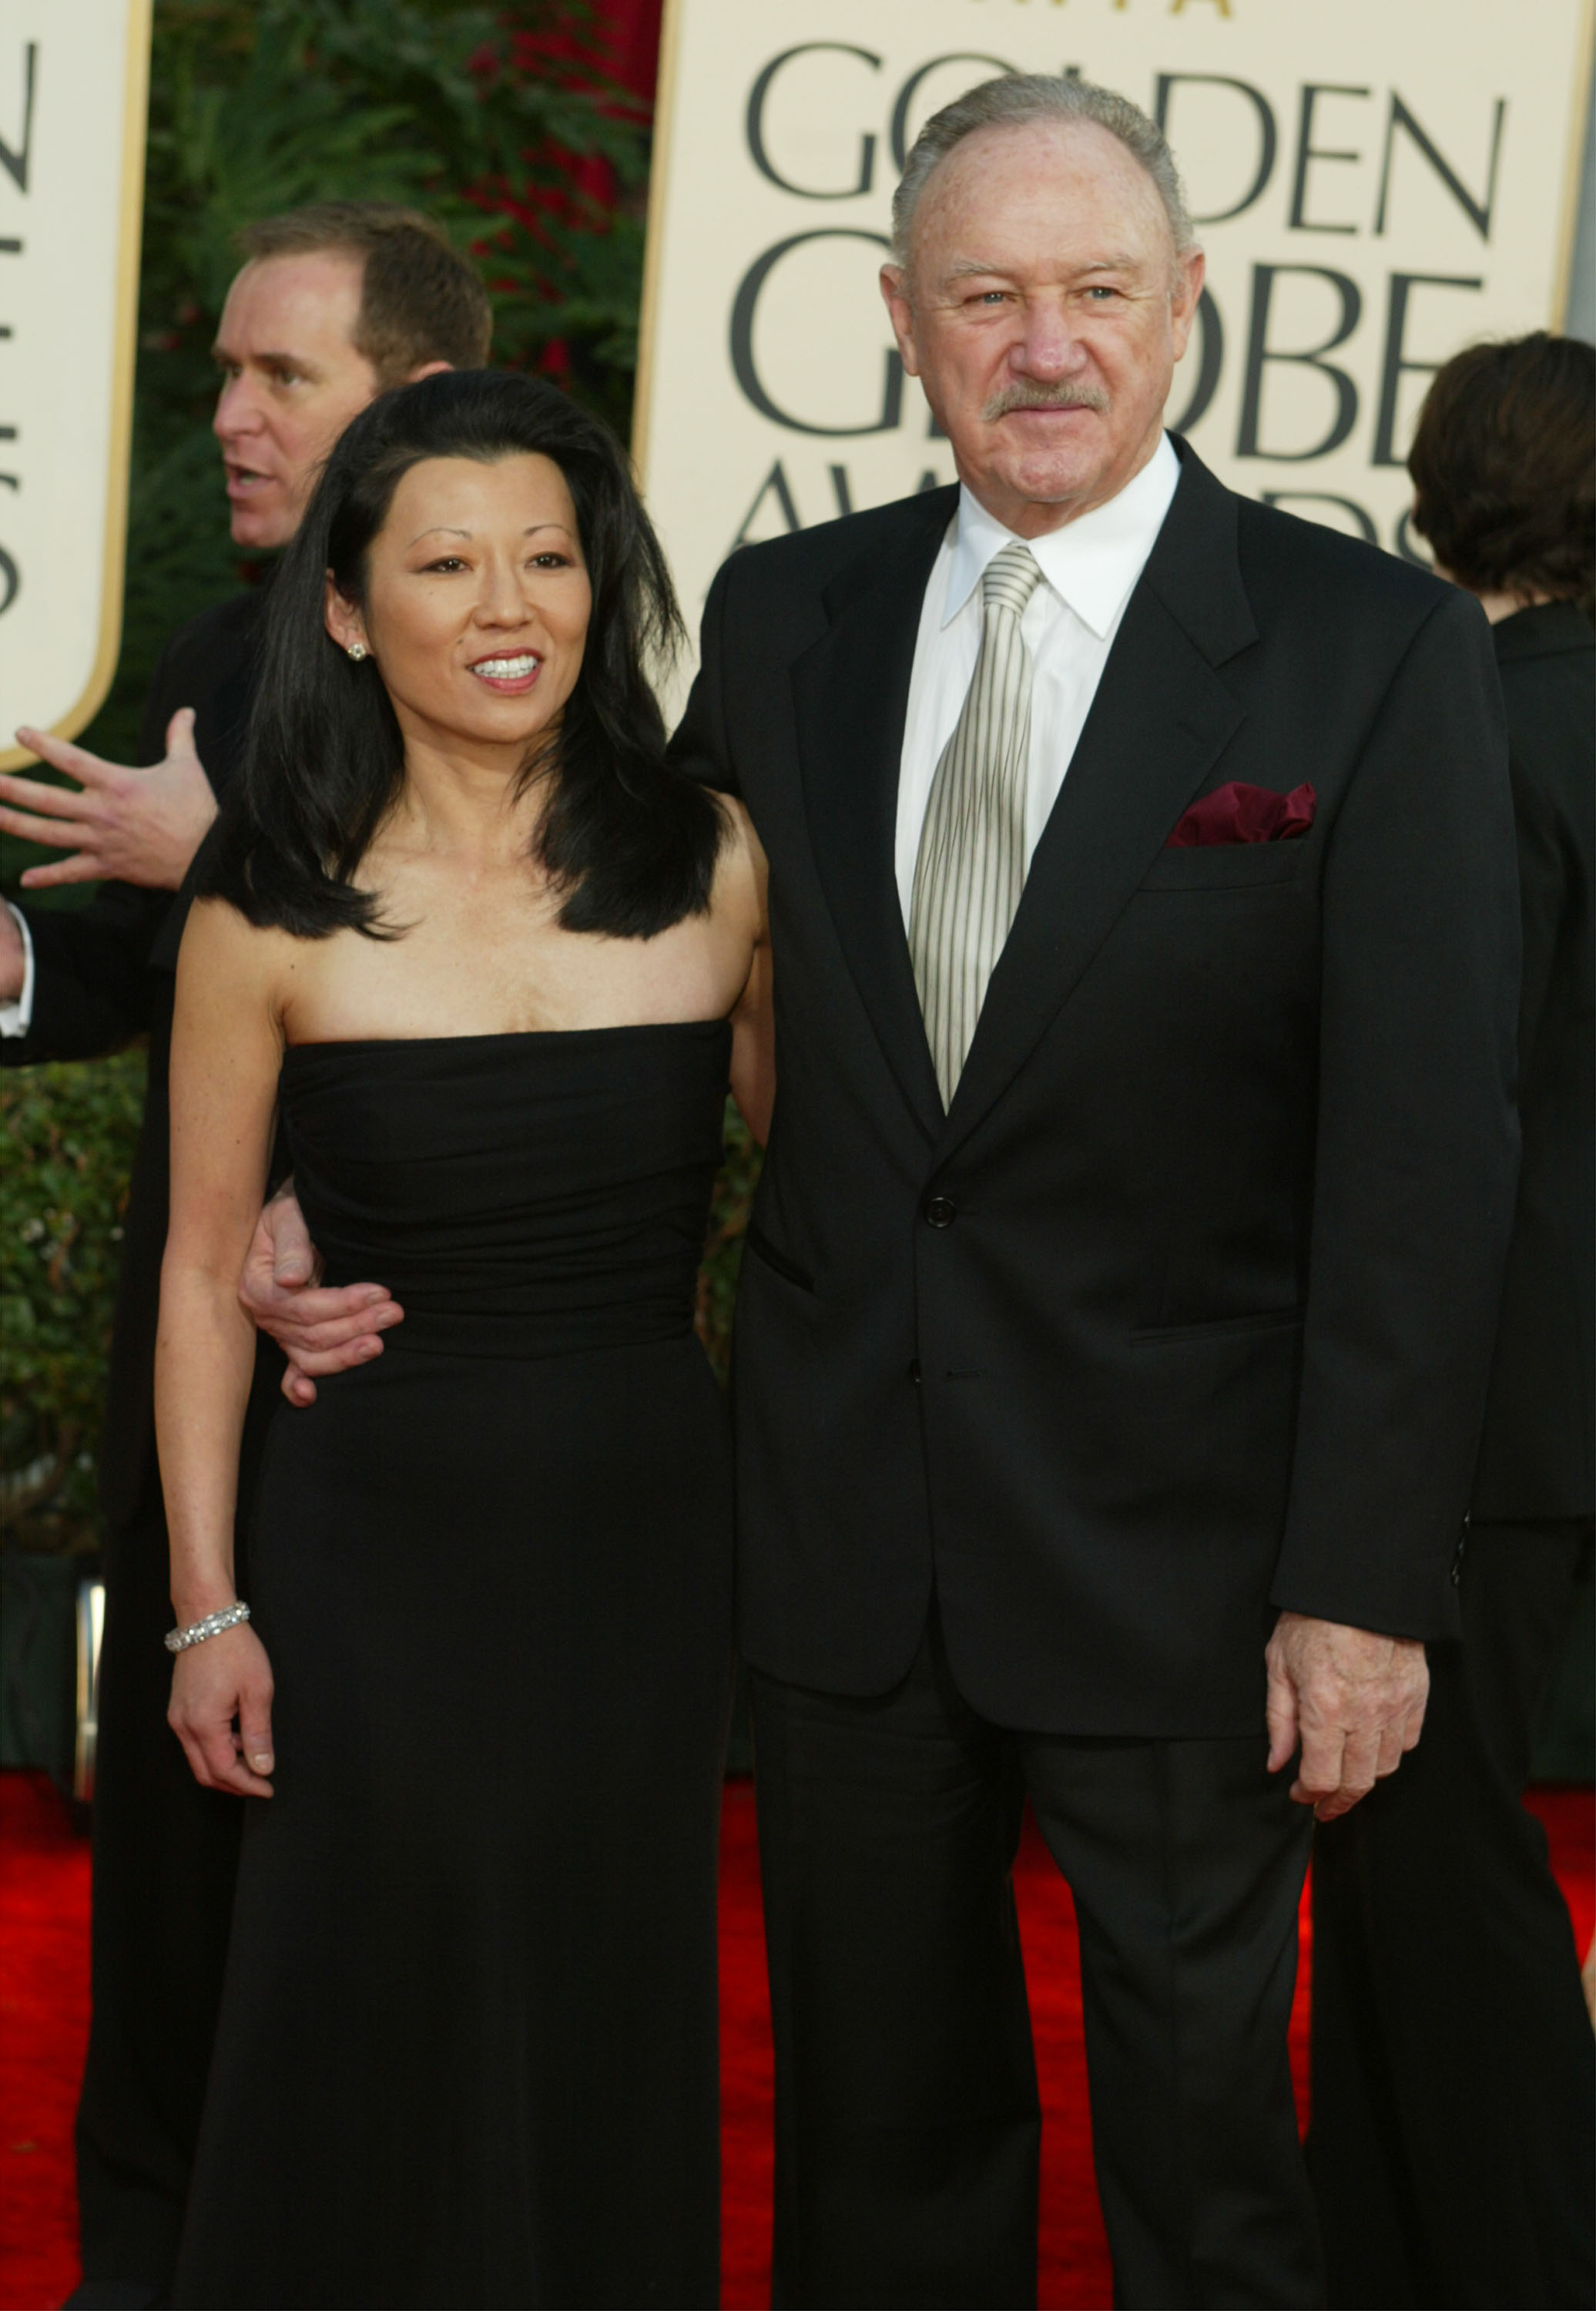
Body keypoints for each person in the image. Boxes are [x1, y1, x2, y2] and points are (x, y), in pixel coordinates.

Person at [251, 78, 1520, 2307]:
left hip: (1196, 1564)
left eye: (1099, 292)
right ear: (902, 327)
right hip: (843, 1538)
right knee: (879, 2152)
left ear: (1189, 309)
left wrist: (1364, 1583)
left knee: (1209, 2157)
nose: (1048, 345)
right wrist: (304, 1170)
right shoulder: (784, 618)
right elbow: (585, 923)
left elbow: (1425, 1162)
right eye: (988, 297)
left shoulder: (1369, 649)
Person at [159, 367, 770, 2309]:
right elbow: (195, 1271)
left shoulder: (714, 866)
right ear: (347, 609)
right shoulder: (266, 907)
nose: (508, 604)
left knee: (610, 1993)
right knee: (358, 1999)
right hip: (366, 1550)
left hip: (640, 1546)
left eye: (547, 557)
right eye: (446, 562)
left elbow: (861, 1195)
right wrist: (203, 1608)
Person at [0, 202, 491, 2309]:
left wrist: (236, 871)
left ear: (412, 398)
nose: (229, 416)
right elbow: (113, 970)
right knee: (174, 1950)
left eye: (279, 375)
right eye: (222, 374)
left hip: (424, 1408)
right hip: (188, 1409)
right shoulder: (213, 652)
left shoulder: (521, 667)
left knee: (376, 1947)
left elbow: (545, 976)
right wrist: (21, 954)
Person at [1308, 331, 1594, 2311]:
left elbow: (1436, 1098)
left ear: (1425, 492)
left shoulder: (1458, 733)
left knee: (1426, 1852)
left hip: (1495, 1396)